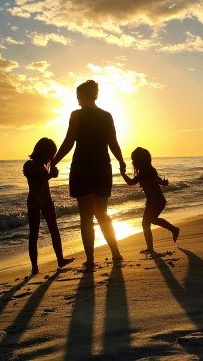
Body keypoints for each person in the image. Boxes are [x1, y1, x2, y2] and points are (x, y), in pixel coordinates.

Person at [52, 80, 126, 268]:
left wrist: (53, 161)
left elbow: (69, 142)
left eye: (78, 96)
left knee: (86, 217)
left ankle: (91, 260)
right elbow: (113, 143)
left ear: (84, 96)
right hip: (102, 169)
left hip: (82, 169)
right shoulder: (106, 116)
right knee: (103, 214)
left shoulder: (77, 116)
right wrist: (121, 161)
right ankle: (116, 253)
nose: (76, 100)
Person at [23, 138, 74, 275]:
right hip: (43, 199)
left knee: (37, 233)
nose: (52, 156)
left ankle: (37, 266)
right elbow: (40, 178)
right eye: (52, 153)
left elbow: (45, 176)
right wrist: (50, 174)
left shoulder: (32, 165)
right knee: (49, 230)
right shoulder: (33, 165)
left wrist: (51, 173)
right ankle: (56, 260)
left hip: (35, 200)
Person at [121, 147, 180, 255]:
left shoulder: (144, 172)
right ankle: (173, 230)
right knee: (150, 221)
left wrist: (123, 174)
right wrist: (164, 183)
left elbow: (130, 182)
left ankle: (153, 247)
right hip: (157, 201)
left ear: (140, 160)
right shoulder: (150, 170)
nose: (133, 162)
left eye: (134, 159)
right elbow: (160, 182)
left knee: (146, 223)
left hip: (155, 201)